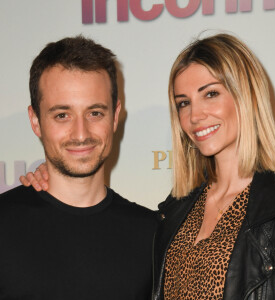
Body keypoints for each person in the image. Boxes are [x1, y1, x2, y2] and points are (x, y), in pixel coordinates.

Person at [21, 33, 275, 299]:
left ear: (247, 96)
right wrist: (54, 183)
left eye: (211, 94)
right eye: (183, 103)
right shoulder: (175, 211)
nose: (195, 115)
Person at [0, 36, 158, 300]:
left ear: (115, 116)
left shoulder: (153, 235)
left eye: (95, 113)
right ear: (35, 121)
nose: (81, 133)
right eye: (62, 115)